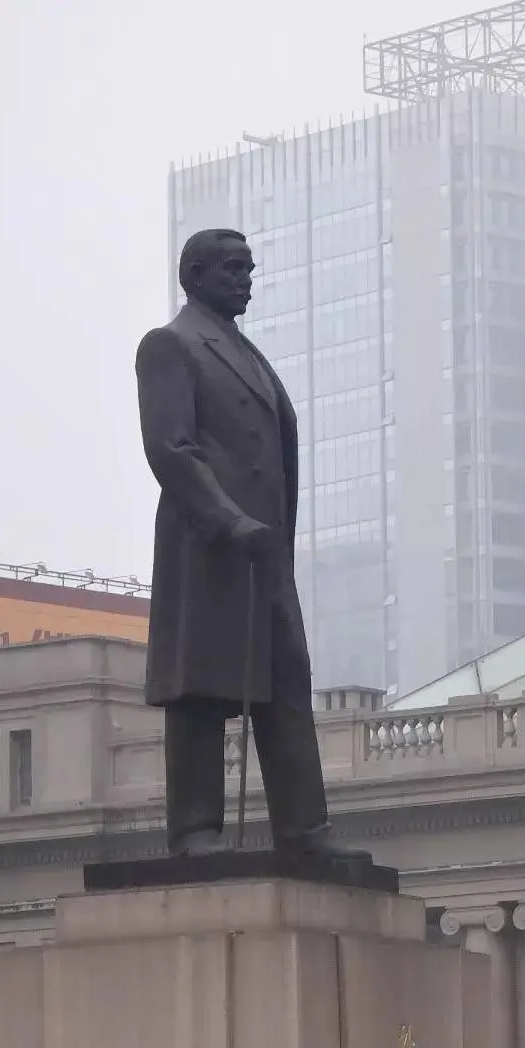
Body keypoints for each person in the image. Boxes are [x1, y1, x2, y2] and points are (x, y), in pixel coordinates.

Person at [136, 229, 371, 861]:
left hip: (265, 554)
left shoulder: (247, 353)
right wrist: (226, 518)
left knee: (286, 677)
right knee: (200, 687)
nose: (246, 279)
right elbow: (171, 448)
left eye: (249, 268)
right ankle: (194, 830)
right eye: (233, 269)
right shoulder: (171, 346)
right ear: (196, 275)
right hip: (206, 546)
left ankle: (303, 828)